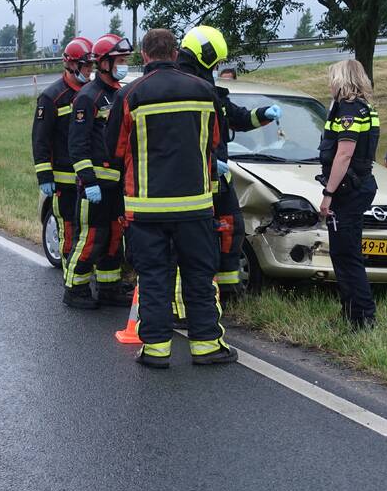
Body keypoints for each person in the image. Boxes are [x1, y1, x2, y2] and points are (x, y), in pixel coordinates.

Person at [106, 28, 236, 368]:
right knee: (198, 276)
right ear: (175, 52)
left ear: (145, 56)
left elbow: (114, 150)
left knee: (154, 278)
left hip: (146, 208)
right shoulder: (204, 91)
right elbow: (216, 141)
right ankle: (207, 346)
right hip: (195, 205)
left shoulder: (130, 95)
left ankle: (156, 350)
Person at [175, 26, 281, 297]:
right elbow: (182, 138)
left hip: (217, 176)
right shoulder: (183, 89)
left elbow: (236, 117)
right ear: (205, 56)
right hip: (192, 179)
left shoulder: (208, 89)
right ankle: (197, 293)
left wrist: (263, 114)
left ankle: (229, 289)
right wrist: (209, 160)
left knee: (231, 229)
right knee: (197, 239)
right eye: (217, 61)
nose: (219, 66)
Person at [65, 34, 133, 308]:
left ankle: (109, 287)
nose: (124, 65)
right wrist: (88, 179)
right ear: (104, 63)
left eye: (126, 60)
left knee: (115, 238)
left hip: (117, 185)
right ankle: (75, 289)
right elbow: (77, 145)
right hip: (95, 186)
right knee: (92, 237)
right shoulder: (87, 98)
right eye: (120, 60)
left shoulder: (119, 94)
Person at [318, 59, 380, 330]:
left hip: (349, 189)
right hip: (359, 185)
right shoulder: (364, 107)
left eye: (332, 78)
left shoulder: (349, 110)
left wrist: (328, 193)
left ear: (342, 80)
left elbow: (344, 154)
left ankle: (363, 318)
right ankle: (351, 313)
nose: (329, 84)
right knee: (344, 253)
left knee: (347, 255)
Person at [32, 37, 95, 287]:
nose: (89, 71)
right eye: (85, 66)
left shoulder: (91, 94)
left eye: (91, 66)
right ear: (70, 65)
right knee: (68, 229)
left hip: (87, 178)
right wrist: (45, 176)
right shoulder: (51, 97)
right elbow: (40, 139)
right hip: (63, 179)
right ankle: (72, 279)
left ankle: (89, 274)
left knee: (88, 230)